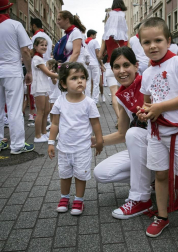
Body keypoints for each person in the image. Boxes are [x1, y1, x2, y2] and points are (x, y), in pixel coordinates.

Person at [93, 46, 178, 224]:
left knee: (134, 133)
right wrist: (97, 141)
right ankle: (151, 181)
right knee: (101, 173)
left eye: (126, 65)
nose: (122, 71)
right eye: (116, 67)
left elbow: (175, 101)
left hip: (164, 144)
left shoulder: (150, 81)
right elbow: (121, 134)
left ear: (136, 66)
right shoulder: (121, 97)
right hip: (145, 147)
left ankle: (141, 198)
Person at [136, 17, 178, 248]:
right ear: (141, 44)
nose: (152, 46)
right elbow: (147, 104)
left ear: (168, 40)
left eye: (157, 40)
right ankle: (162, 216)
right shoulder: (146, 72)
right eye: (147, 42)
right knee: (161, 176)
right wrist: (144, 113)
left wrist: (159, 108)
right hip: (156, 134)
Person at [48, 62, 103, 215]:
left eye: (83, 77)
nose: (80, 81)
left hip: (82, 148)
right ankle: (64, 197)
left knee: (80, 174)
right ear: (63, 84)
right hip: (64, 148)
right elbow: (55, 124)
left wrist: (99, 142)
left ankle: (79, 199)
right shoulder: (60, 101)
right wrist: (51, 142)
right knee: (64, 174)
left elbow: (96, 124)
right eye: (74, 78)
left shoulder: (89, 103)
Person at [0, 0, 34, 154]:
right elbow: (26, 51)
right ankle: (17, 145)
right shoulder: (15, 25)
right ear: (8, 9)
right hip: (12, 70)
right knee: (14, 108)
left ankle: (1, 141)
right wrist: (29, 71)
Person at [98, 0, 128, 125]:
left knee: (114, 95)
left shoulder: (105, 37)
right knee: (125, 94)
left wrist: (104, 54)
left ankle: (119, 119)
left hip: (111, 67)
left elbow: (100, 55)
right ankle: (126, 119)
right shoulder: (125, 38)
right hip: (125, 68)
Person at [31, 37, 58, 143]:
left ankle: (44, 133)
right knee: (40, 112)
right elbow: (48, 73)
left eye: (46, 45)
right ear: (35, 46)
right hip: (39, 87)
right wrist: (61, 75)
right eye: (41, 45)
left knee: (46, 111)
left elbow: (47, 72)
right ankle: (37, 136)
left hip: (44, 87)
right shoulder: (37, 59)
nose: (44, 47)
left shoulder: (41, 58)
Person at [85, 29, 104, 105]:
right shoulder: (94, 42)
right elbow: (97, 54)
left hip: (87, 64)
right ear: (92, 35)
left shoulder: (85, 42)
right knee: (96, 83)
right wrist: (101, 64)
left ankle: (87, 100)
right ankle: (95, 101)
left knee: (88, 82)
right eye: (95, 35)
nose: (95, 37)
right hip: (95, 63)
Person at [46, 59, 60, 131]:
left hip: (55, 94)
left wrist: (51, 76)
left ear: (51, 66)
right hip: (50, 93)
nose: (46, 66)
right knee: (51, 111)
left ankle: (56, 126)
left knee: (54, 111)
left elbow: (54, 82)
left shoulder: (55, 74)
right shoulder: (49, 73)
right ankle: (52, 124)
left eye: (47, 65)